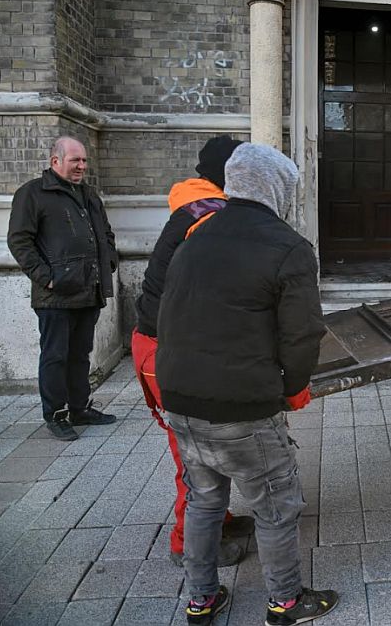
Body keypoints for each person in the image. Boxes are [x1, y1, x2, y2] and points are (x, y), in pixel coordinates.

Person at [156, 143, 338, 625]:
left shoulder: (195, 235)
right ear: (278, 188)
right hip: (243, 406)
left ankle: (201, 599)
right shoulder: (289, 247)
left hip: (179, 398)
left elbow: (166, 315)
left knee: (203, 500)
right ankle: (284, 601)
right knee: (276, 506)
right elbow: (301, 334)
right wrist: (292, 388)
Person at [131, 135, 253, 568]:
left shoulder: (196, 203)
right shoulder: (211, 218)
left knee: (200, 449)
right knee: (195, 454)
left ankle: (216, 519)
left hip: (160, 347)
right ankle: (191, 543)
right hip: (168, 352)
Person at [7, 136, 118, 441]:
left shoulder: (88, 193)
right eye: (75, 161)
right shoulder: (33, 193)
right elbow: (19, 241)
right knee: (55, 355)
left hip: (89, 288)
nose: (81, 166)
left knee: (80, 354)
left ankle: (79, 408)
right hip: (55, 295)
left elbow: (105, 233)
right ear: (55, 161)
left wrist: (109, 260)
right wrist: (48, 278)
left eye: (83, 161)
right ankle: (56, 414)